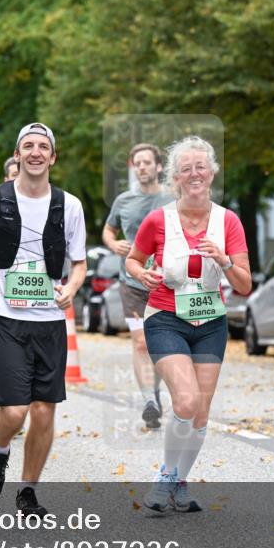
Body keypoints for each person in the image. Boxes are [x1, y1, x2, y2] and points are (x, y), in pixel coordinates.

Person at [0, 122, 87, 518]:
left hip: (49, 318)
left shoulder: (70, 205)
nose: (35, 152)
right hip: (3, 314)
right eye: (27, 146)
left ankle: (29, 490)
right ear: (17, 155)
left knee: (44, 410)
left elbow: (80, 262)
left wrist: (73, 288)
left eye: (43, 147)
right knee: (14, 409)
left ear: (52, 157)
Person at [125, 136, 252, 514]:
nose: (194, 174)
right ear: (175, 179)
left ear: (212, 173)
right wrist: (142, 275)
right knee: (184, 399)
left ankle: (180, 481)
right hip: (166, 318)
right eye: (186, 169)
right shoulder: (158, 219)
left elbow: (244, 284)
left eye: (201, 167)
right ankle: (165, 478)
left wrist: (226, 260)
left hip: (211, 322)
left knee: (200, 412)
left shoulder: (228, 221)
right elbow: (134, 259)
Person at [103, 143, 173, 429]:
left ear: (158, 167)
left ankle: (163, 390)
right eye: (138, 163)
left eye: (147, 162)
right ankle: (150, 401)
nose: (142, 167)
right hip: (132, 283)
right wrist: (113, 242)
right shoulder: (123, 201)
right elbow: (109, 229)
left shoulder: (173, 198)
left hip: (167, 283)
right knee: (141, 342)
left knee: (164, 345)